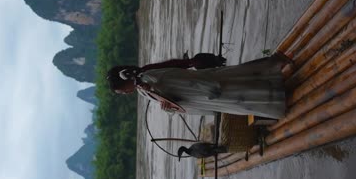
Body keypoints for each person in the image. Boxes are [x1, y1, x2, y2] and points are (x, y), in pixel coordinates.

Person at [107, 53, 287, 119]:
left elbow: (182, 79)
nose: (124, 93)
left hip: (206, 89)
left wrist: (209, 88)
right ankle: (277, 95)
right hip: (201, 98)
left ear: (125, 82)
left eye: (121, 91)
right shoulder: (143, 91)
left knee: (241, 89)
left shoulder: (149, 76)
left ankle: (277, 87)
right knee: (241, 100)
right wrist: (168, 108)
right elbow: (172, 101)